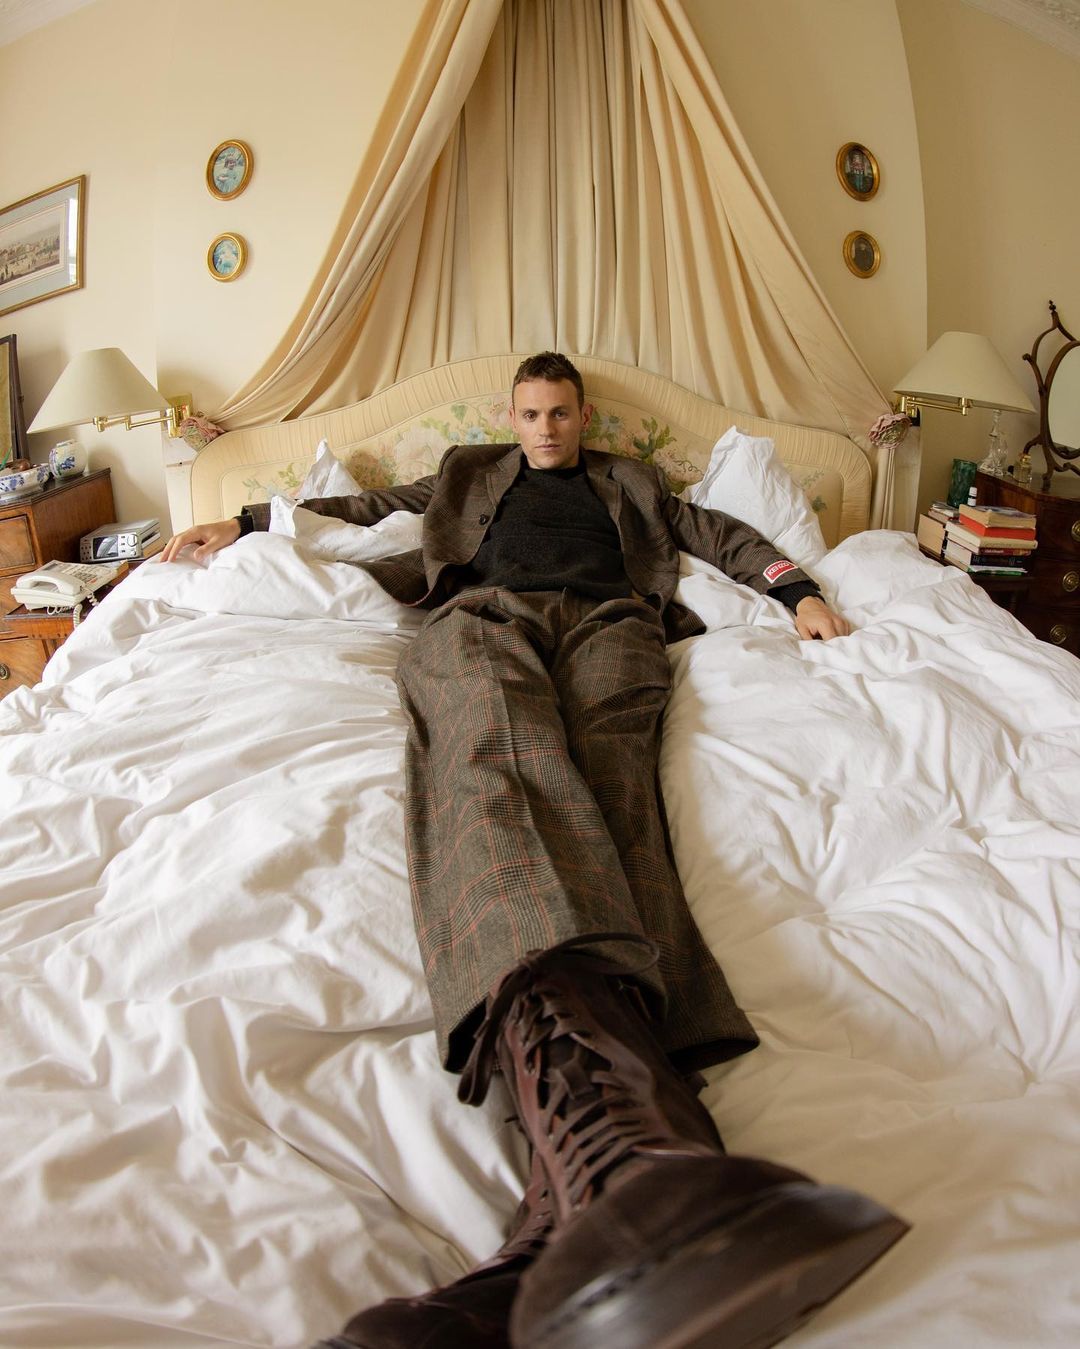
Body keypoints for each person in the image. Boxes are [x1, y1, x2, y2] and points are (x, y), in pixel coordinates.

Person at [163, 353, 906, 1349]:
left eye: (560, 412)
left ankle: (558, 1233)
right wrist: (249, 519)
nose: (546, 428)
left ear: (584, 415)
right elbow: (367, 506)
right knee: (488, 755)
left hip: (609, 623)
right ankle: (644, 1156)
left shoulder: (633, 482)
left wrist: (797, 589)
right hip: (483, 618)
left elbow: (724, 535)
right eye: (531, 413)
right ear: (510, 418)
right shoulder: (467, 470)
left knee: (612, 790)